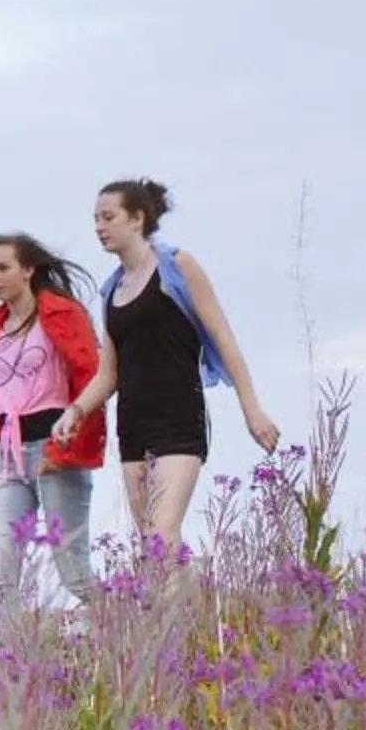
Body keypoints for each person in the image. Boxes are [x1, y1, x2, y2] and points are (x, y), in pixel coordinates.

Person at [52, 177, 280, 553]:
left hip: (178, 421)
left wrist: (252, 410)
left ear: (137, 218)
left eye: (108, 217)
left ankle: (180, 613)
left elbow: (225, 340)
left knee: (161, 532)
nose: (99, 227)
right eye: (95, 219)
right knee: (151, 545)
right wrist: (74, 411)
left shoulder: (178, 267)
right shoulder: (111, 291)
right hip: (133, 425)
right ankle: (187, 611)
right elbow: (109, 374)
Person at [0, 234, 104, 607]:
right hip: (8, 455)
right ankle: (3, 663)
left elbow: (90, 378)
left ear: (28, 269)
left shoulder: (62, 315)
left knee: (73, 570)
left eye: (3, 268)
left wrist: (71, 446)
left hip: (55, 448)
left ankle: (122, 635)